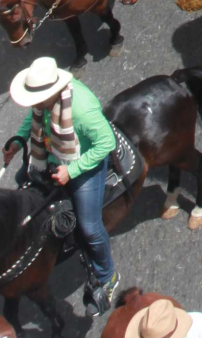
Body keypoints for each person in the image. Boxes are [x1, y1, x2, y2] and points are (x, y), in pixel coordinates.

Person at [5, 56, 119, 312]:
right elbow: (34, 118)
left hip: (83, 162)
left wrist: (73, 170)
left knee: (89, 227)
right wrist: (18, 139)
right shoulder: (43, 102)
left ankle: (107, 275)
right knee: (22, 179)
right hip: (54, 153)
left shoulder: (81, 110)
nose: (34, 104)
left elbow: (106, 142)